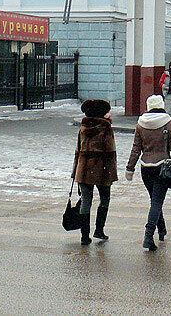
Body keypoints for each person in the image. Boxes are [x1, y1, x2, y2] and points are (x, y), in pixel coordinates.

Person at [126, 94, 171, 251]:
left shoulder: (141, 123)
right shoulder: (168, 123)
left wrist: (130, 168)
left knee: (155, 200)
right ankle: (148, 235)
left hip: (145, 168)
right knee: (157, 202)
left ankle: (162, 231)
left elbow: (136, 148)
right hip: (162, 168)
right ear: (161, 105)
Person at [72, 99, 117, 245]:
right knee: (105, 199)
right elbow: (110, 152)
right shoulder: (106, 128)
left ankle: (84, 236)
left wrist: (74, 173)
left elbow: (77, 152)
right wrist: (112, 174)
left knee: (86, 201)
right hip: (101, 169)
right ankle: (99, 230)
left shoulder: (83, 128)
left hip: (83, 169)